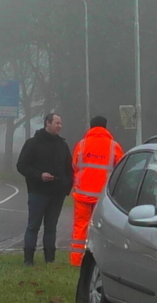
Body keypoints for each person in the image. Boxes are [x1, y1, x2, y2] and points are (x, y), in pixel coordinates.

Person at [16, 113, 74, 265]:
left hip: (57, 193)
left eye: (60, 123)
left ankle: (50, 259)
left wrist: (66, 187)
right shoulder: (33, 143)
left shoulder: (62, 145)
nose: (59, 126)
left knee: (51, 227)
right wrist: (39, 175)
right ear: (47, 123)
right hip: (38, 192)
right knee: (33, 226)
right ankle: (28, 259)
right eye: (56, 123)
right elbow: (21, 165)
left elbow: (69, 168)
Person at [70, 116, 124, 267]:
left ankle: (77, 261)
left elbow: (74, 165)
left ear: (91, 126)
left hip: (82, 194)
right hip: (104, 197)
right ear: (105, 127)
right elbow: (120, 169)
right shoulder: (114, 146)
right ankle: (103, 262)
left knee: (81, 227)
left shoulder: (82, 144)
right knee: (103, 229)